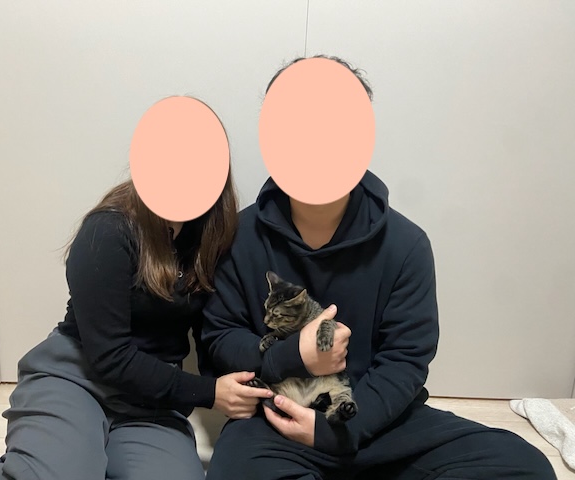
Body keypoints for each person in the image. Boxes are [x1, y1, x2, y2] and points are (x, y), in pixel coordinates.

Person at [201, 56, 556, 479]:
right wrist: (290, 356)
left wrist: (337, 430)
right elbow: (219, 339)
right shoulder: (237, 237)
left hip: (379, 423)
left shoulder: (406, 245)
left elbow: (405, 361)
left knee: (524, 466)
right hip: (278, 421)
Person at [0, 170, 273, 479]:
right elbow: (111, 356)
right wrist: (209, 392)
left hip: (151, 399)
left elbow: (213, 332)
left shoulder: (211, 237)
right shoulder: (108, 229)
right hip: (77, 377)